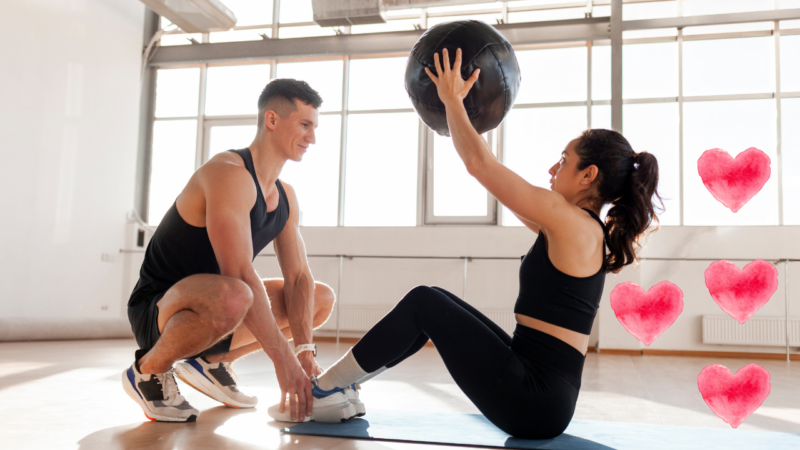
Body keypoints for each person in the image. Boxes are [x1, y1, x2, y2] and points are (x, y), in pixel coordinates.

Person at [306, 48, 663, 439]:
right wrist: (463, 116)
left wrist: (452, 100)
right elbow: (493, 177)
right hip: (540, 393)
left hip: (533, 399)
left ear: (587, 175)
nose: (552, 168)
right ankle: (343, 386)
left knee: (425, 302)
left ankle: (324, 389)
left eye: (563, 160)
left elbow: (480, 166)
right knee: (434, 301)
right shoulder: (575, 227)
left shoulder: (569, 222)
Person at [123, 79, 349, 423]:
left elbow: (298, 277)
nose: (312, 138)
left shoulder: (285, 195)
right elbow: (238, 271)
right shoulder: (228, 173)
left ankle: (210, 363)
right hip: (159, 307)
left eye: (314, 127)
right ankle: (148, 370)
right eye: (304, 125)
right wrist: (283, 362)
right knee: (237, 292)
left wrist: (303, 351)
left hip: (223, 305)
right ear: (272, 120)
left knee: (318, 298)